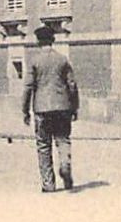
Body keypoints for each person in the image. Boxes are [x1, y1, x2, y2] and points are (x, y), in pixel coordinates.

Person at [22, 25, 79, 192]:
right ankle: (65, 163)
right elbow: (72, 85)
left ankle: (48, 185)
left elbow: (27, 87)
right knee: (63, 140)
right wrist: (74, 107)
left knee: (43, 146)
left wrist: (24, 110)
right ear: (53, 40)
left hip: (41, 109)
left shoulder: (34, 61)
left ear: (38, 41)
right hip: (62, 107)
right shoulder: (62, 59)